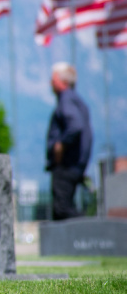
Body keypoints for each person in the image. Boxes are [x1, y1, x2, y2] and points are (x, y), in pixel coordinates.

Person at [46, 62, 93, 221]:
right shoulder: (76, 100)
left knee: (62, 209)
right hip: (76, 163)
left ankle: (94, 230)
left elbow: (75, 126)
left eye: (53, 79)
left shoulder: (66, 100)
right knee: (64, 208)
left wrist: (60, 145)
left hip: (66, 164)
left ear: (62, 81)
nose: (50, 83)